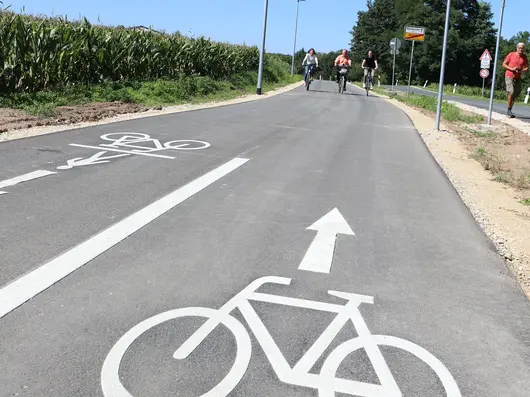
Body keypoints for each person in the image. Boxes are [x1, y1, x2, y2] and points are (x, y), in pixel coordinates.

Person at [502, 42, 528, 118]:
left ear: (524, 49)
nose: (521, 49)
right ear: (517, 48)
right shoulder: (511, 54)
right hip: (509, 75)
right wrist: (512, 69)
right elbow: (503, 64)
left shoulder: (524, 57)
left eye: (522, 48)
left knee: (515, 94)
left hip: (518, 77)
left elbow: (526, 67)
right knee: (511, 91)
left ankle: (509, 110)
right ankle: (508, 110)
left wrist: (521, 70)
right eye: (519, 48)